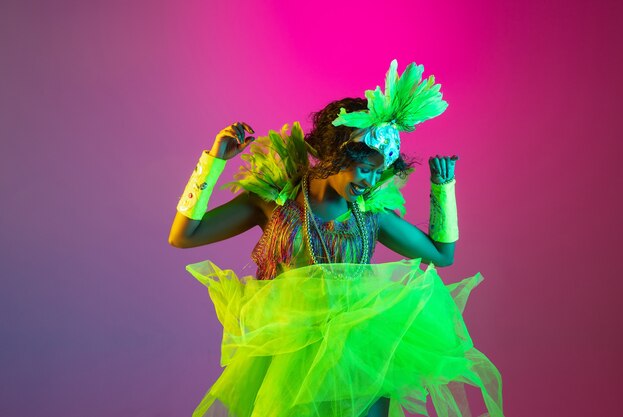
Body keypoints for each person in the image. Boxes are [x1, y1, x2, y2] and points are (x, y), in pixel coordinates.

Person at [169, 60, 504, 417]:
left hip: (357, 357)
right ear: (336, 154)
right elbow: (185, 235)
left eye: (379, 173)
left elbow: (441, 255)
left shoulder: (370, 214)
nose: (370, 182)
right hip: (287, 355)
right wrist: (213, 161)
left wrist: (444, 188)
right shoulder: (273, 202)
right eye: (364, 168)